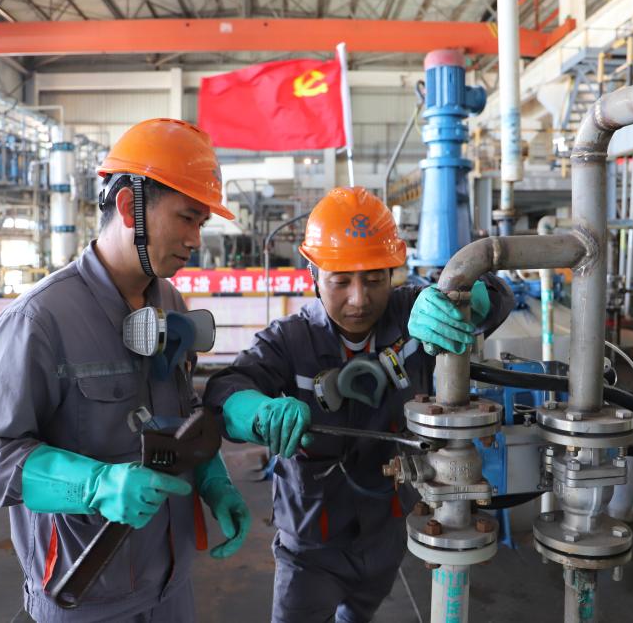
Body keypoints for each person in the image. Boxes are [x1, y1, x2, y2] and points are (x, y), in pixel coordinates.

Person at [0, 118, 251, 622]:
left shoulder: (170, 302)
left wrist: (213, 480)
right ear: (129, 207)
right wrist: (94, 485)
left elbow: (182, 413)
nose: (195, 239)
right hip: (86, 593)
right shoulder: (40, 320)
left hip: (171, 586)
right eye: (186, 218)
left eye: (201, 223)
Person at [203, 186, 514, 622]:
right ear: (313, 275)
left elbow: (499, 295)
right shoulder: (290, 341)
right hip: (309, 545)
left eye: (373, 279)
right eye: (341, 281)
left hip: (387, 530)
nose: (359, 299)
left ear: (391, 273)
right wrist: (258, 412)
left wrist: (464, 298)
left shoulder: (413, 315)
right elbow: (224, 390)